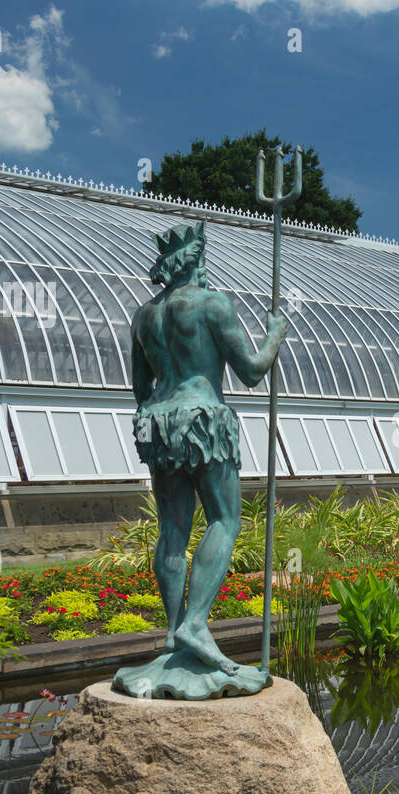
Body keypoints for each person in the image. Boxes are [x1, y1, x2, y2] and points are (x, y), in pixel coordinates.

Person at [129, 221, 287, 680]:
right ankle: (196, 625)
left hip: (158, 423)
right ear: (196, 261)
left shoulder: (144, 316)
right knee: (225, 519)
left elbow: (141, 387)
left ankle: (173, 633)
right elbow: (253, 371)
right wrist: (275, 333)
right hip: (203, 418)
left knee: (172, 527)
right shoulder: (213, 304)